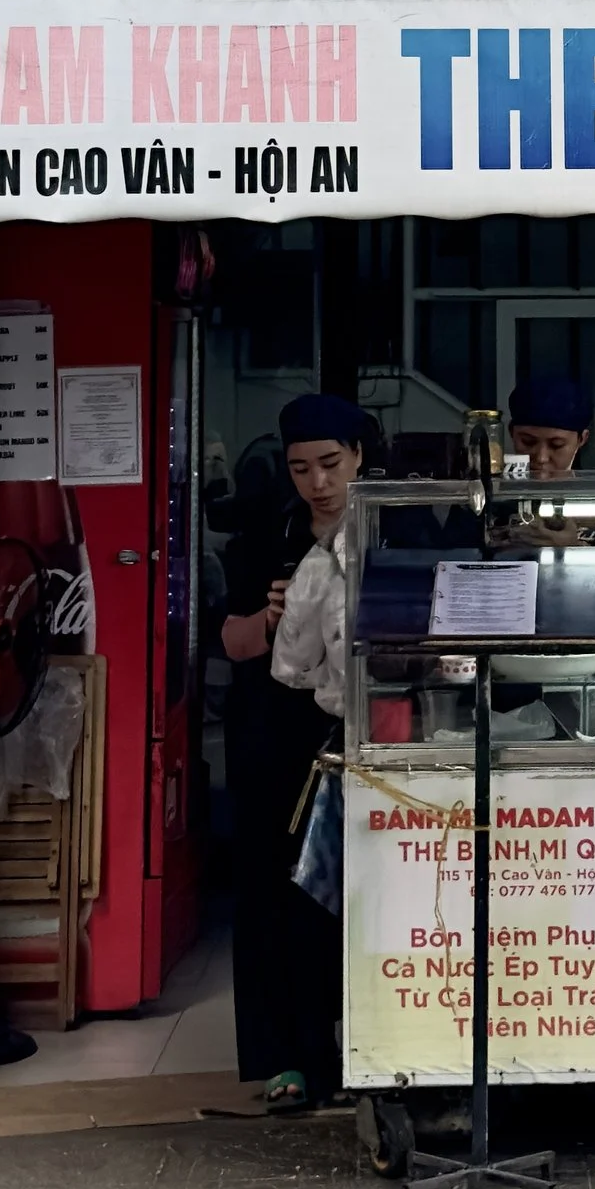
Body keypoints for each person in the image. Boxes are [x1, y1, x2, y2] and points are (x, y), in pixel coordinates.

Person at [218, 393, 365, 1114]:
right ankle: (289, 1061)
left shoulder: (390, 529)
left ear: (359, 459)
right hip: (276, 740)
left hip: (358, 735)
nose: (319, 483)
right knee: (279, 898)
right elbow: (231, 642)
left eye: (331, 464)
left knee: (350, 898)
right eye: (302, 468)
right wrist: (270, 617)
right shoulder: (266, 535)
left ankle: (356, 1052)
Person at [506, 371, 595, 484]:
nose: (541, 458)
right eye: (528, 442)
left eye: (556, 445)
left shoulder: (593, 498)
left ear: (582, 439)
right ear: (511, 432)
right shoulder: (491, 495)